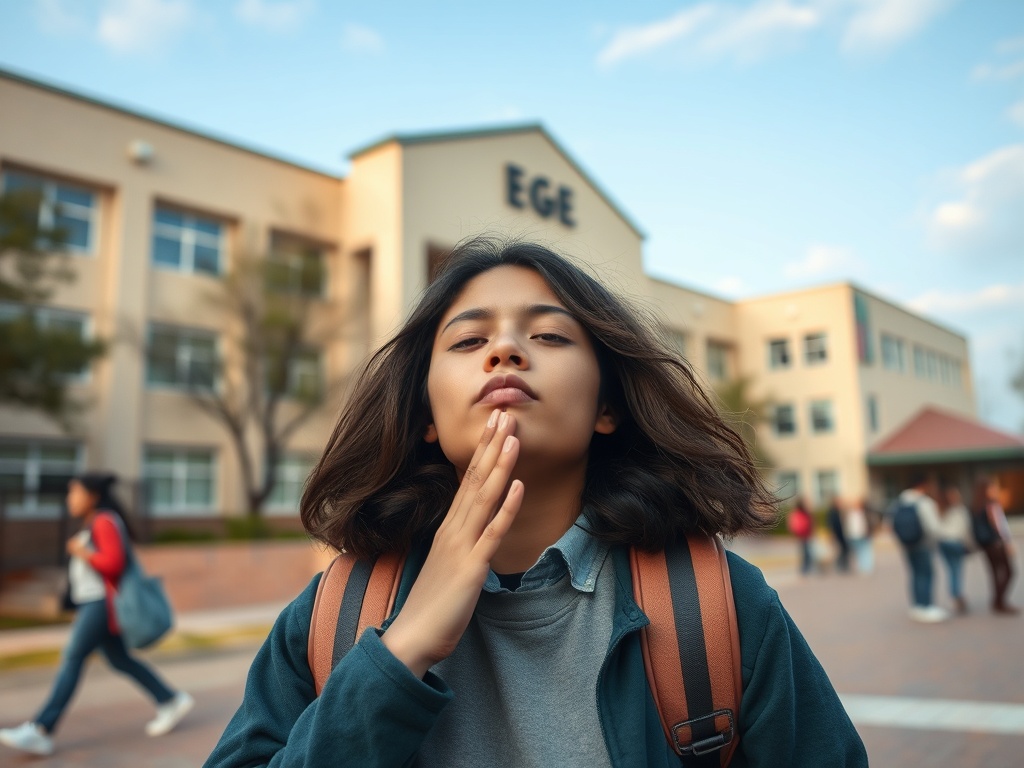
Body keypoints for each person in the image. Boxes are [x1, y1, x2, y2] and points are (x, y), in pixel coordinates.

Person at [205, 238, 867, 766]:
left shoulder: (718, 605)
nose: (505, 350)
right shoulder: (332, 614)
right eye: (468, 341)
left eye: (549, 336)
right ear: (426, 414)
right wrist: (400, 652)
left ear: (607, 405)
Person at [0, 473, 193, 757]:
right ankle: (171, 699)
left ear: (91, 496)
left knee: (73, 658)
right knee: (119, 659)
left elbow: (113, 563)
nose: (70, 499)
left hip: (100, 603)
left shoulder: (103, 521)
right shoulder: (96, 522)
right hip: (93, 603)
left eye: (74, 493)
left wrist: (82, 552)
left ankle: (41, 729)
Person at [892, 473, 948, 623]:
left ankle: (917, 606)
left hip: (907, 544)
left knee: (915, 574)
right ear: (923, 485)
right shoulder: (924, 502)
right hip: (923, 544)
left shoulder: (900, 501)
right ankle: (926, 606)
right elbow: (933, 527)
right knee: (926, 574)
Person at [971, 477, 1019, 615]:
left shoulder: (977, 505)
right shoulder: (991, 505)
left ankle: (997, 601)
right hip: (996, 543)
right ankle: (1000, 601)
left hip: (986, 544)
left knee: (994, 573)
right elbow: (999, 526)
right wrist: (1007, 542)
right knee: (1009, 571)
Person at [936, 485, 973, 614]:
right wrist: (970, 544)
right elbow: (965, 529)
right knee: (956, 570)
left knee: (951, 570)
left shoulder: (941, 510)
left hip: (944, 543)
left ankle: (955, 595)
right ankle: (957, 595)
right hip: (955, 542)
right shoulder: (960, 510)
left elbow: (936, 528)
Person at [844, 497, 874, 575]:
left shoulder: (865, 513)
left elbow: (869, 523)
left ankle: (867, 567)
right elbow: (849, 526)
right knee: (858, 552)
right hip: (854, 536)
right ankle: (862, 567)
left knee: (865, 551)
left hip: (863, 535)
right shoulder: (851, 514)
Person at [787, 497, 815, 575]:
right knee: (806, 553)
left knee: (806, 552)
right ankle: (805, 569)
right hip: (803, 535)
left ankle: (806, 569)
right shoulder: (802, 513)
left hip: (804, 535)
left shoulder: (798, 512)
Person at [826, 496, 850, 573]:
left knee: (844, 550)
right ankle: (840, 566)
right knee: (841, 551)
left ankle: (843, 566)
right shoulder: (832, 512)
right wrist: (831, 535)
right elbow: (831, 524)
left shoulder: (839, 511)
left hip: (842, 534)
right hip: (837, 535)